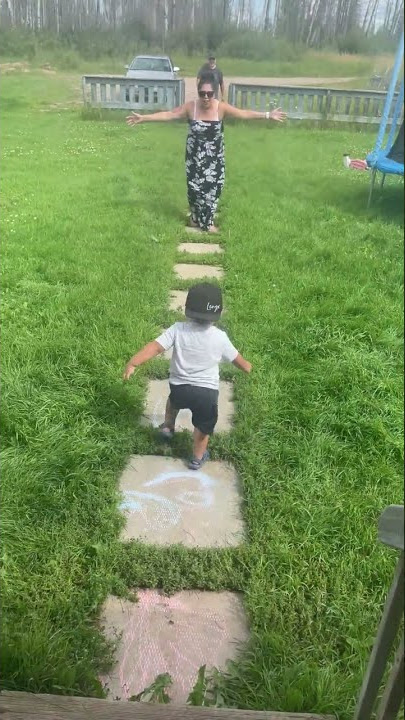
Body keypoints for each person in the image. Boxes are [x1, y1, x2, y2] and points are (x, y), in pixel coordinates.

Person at [126, 73, 286, 233]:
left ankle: (207, 222)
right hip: (194, 155)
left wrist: (267, 115)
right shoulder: (191, 107)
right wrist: (144, 118)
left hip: (215, 157)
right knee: (194, 188)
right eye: (202, 93)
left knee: (213, 187)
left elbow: (242, 113)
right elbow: (170, 114)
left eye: (209, 94)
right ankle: (195, 218)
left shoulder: (221, 107)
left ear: (214, 94)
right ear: (198, 93)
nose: (206, 97)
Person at [123, 283, 252, 470]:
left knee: (173, 402)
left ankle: (168, 426)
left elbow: (155, 347)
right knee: (202, 429)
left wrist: (134, 362)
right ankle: (197, 457)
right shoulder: (220, 337)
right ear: (219, 313)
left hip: (179, 388)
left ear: (187, 309)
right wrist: (247, 367)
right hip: (206, 394)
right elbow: (237, 359)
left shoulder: (177, 329)